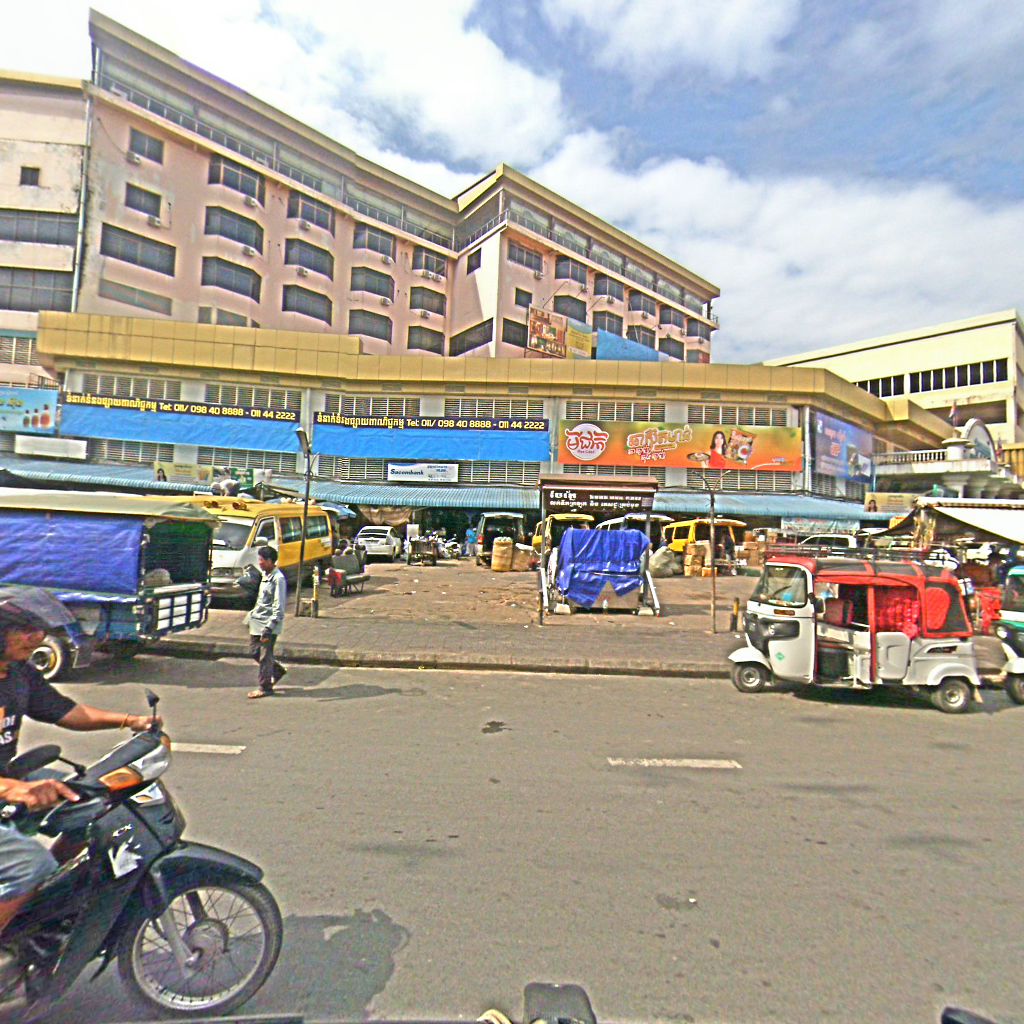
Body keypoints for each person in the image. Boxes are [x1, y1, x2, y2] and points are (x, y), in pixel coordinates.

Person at [0, 604, 158, 950]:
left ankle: (37, 904)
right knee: (31, 864)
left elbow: (68, 712)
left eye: (38, 631)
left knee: (92, 806)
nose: (35, 638)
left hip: (8, 782)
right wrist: (13, 789)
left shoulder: (18, 673)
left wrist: (130, 721)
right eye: (23, 632)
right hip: (6, 788)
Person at [247, 545, 287, 700]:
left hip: (268, 624)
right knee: (254, 651)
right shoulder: (265, 575)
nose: (260, 563)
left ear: (270, 561)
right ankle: (276, 670)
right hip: (257, 621)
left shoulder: (278, 579)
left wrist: (270, 627)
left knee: (264, 656)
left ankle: (265, 687)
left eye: (262, 560)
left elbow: (279, 606)